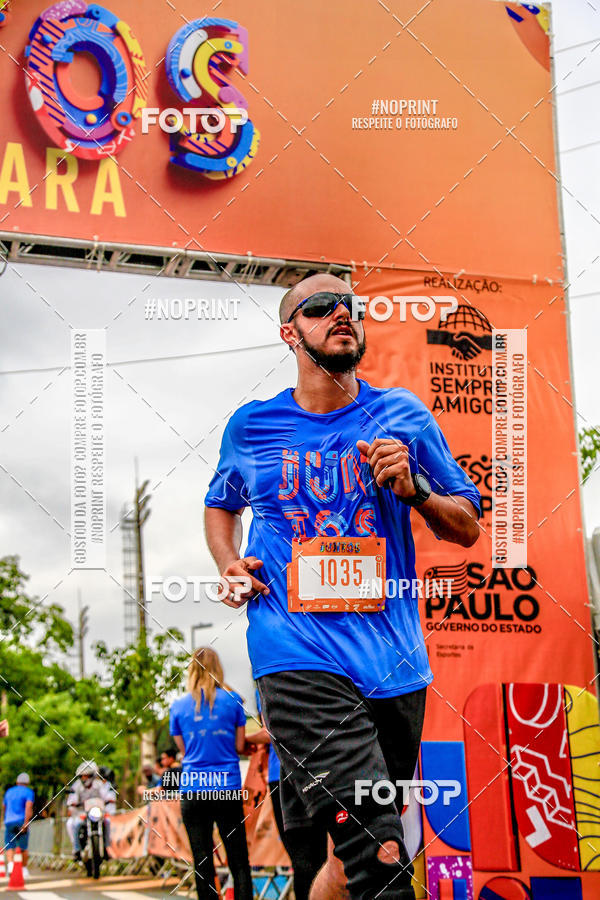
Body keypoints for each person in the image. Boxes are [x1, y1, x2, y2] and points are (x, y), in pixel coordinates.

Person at [204, 274, 481, 900]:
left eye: (351, 308)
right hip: (294, 653)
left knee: (345, 857)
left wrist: (416, 489)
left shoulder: (403, 415)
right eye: (321, 307)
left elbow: (466, 525)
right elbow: (220, 504)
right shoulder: (252, 426)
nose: (342, 315)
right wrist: (228, 562)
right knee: (378, 842)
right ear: (289, 333)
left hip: (394, 662)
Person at [169, 647, 252, 900]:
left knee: (202, 861)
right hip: (226, 787)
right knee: (238, 860)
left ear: (191, 669)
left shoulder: (178, 707)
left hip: (194, 789)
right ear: (218, 668)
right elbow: (239, 747)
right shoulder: (234, 700)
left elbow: (183, 749)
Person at [247, 691, 328, 900]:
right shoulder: (321, 668)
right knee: (321, 856)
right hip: (321, 768)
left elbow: (272, 731)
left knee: (301, 859)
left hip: (285, 773)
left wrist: (245, 739)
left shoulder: (266, 678)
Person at [66, 761, 116, 861]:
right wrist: (72, 804)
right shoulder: (77, 786)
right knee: (73, 824)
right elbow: (72, 798)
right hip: (82, 813)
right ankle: (76, 849)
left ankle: (107, 847)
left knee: (108, 822)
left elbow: (107, 795)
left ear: (92, 776)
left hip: (98, 812)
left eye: (87, 776)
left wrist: (110, 799)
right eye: (82, 776)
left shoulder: (99, 784)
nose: (84, 779)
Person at [3, 772, 34, 878]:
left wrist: (4, 819)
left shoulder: (9, 792)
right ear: (27, 782)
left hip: (9, 821)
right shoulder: (28, 792)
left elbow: (4, 807)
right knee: (23, 847)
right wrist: (26, 822)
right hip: (21, 821)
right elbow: (28, 807)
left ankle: (11, 866)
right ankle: (24, 869)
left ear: (17, 782)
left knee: (9, 845)